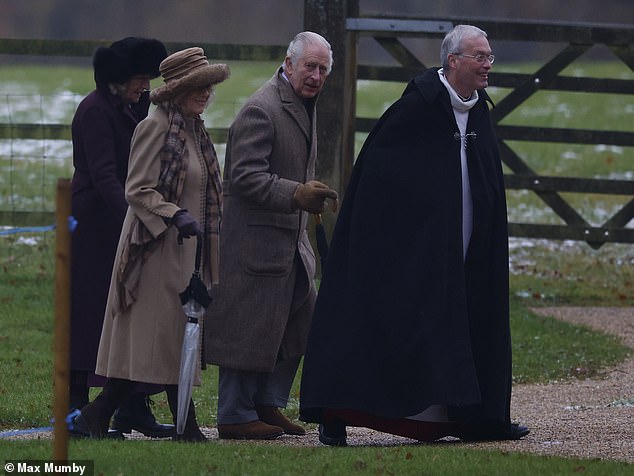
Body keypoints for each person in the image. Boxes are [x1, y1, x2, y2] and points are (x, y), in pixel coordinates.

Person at [299, 24, 529, 446]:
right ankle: (336, 411)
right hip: (414, 250)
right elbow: (381, 181)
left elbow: (486, 184)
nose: (487, 65)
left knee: (473, 318)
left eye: (490, 57)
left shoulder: (479, 113)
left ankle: (478, 418)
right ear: (453, 60)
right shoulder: (416, 110)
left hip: (468, 247)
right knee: (380, 320)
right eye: (479, 57)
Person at [72, 47, 230, 442]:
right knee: (161, 339)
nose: (206, 94)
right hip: (154, 247)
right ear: (176, 90)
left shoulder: (195, 129)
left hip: (185, 252)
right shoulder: (155, 126)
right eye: (198, 86)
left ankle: (99, 414)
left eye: (209, 86)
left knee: (173, 338)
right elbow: (137, 189)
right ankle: (181, 426)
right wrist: (174, 214)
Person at [204, 31, 338, 440]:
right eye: (310, 66)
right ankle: (234, 414)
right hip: (256, 245)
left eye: (323, 69)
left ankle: (267, 404)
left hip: (289, 243)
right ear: (289, 63)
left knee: (298, 323)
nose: (316, 75)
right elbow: (243, 177)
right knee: (249, 327)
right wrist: (295, 194)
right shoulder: (262, 109)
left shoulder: (302, 103)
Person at [70, 36, 174, 438]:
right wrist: (136, 216)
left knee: (128, 313)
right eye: (139, 79)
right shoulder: (95, 111)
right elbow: (104, 175)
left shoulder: (131, 108)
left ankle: (133, 406)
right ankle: (77, 407)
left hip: (121, 217)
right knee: (90, 311)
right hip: (96, 222)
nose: (145, 87)